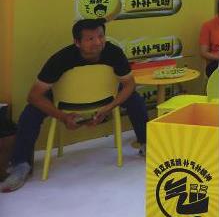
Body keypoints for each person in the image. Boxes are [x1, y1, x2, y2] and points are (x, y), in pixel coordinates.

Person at [0, 19, 148, 193]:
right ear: (77, 42)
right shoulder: (61, 59)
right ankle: (20, 165)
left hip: (105, 97)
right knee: (31, 112)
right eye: (90, 39)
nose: (98, 42)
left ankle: (146, 145)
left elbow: (129, 85)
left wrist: (109, 107)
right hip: (65, 100)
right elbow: (34, 96)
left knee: (135, 99)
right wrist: (63, 117)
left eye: (101, 36)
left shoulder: (114, 52)